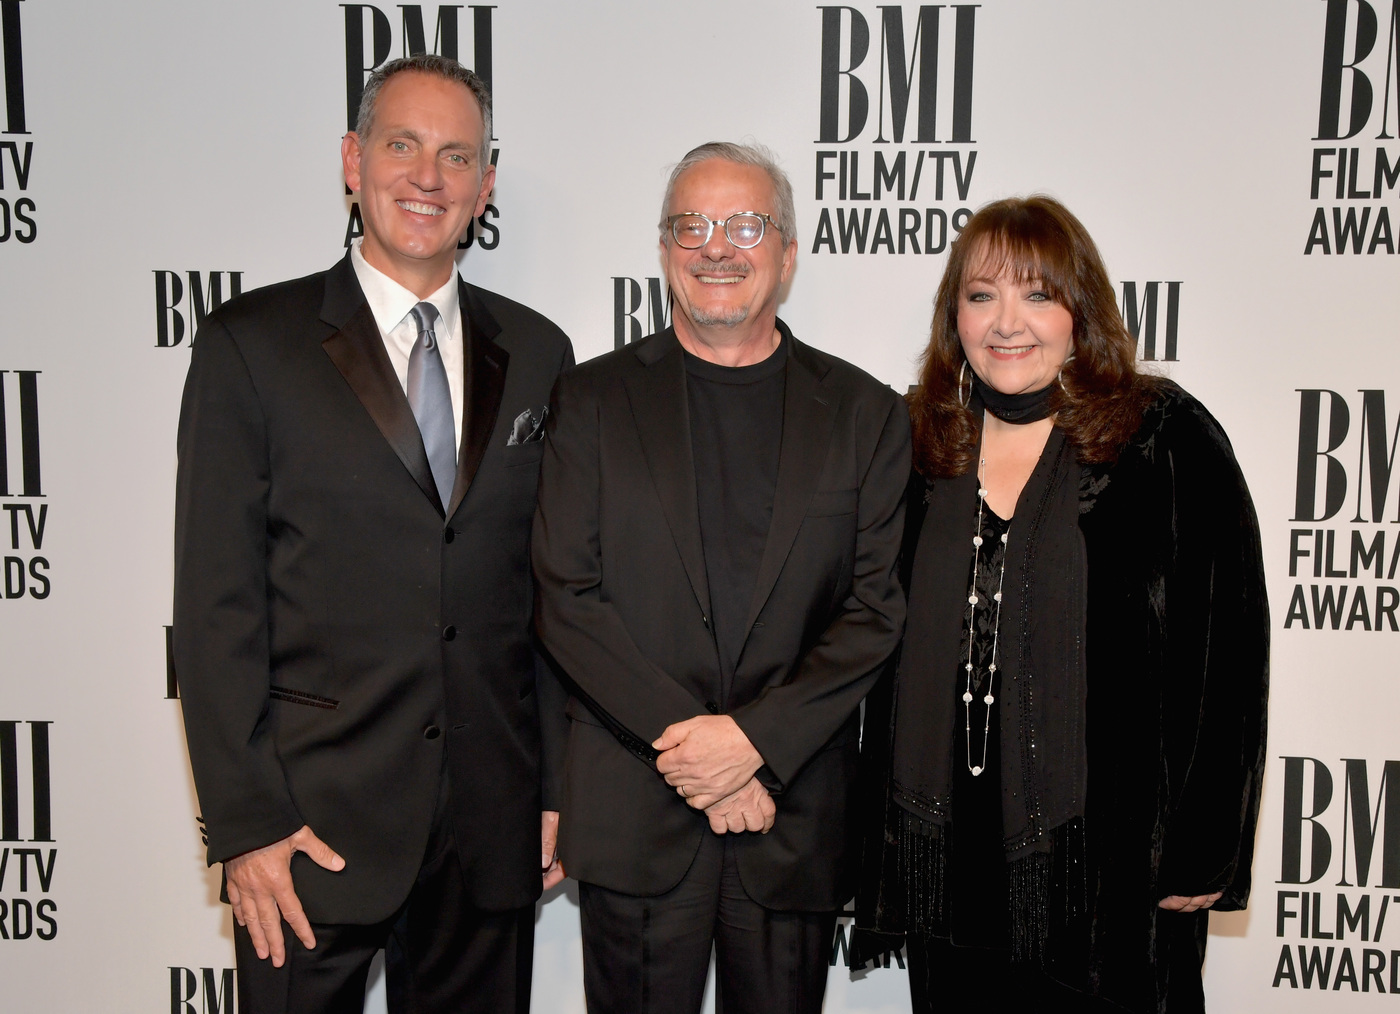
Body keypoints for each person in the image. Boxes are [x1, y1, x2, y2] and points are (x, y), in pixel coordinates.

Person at [173, 54, 572, 1014]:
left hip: (488, 828)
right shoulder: (250, 346)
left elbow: (553, 596)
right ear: (354, 161)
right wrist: (247, 824)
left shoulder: (540, 352)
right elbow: (216, 606)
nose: (428, 177)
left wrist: (558, 788)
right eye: (402, 146)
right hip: (305, 834)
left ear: (484, 183)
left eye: (456, 156)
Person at [856, 195, 1269, 1012]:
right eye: (982, 295)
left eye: (1037, 294)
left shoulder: (1162, 436)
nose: (1007, 322)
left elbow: (1229, 648)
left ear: (1080, 311)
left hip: (1113, 867)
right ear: (955, 318)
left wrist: (1207, 846)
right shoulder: (920, 444)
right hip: (953, 860)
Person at [532, 141, 910, 1014]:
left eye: (744, 225)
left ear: (788, 252)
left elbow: (873, 612)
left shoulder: (866, 414)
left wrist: (754, 746)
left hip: (790, 814)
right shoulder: (590, 400)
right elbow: (566, 597)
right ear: (664, 249)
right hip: (635, 814)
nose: (716, 247)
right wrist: (701, 752)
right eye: (690, 226)